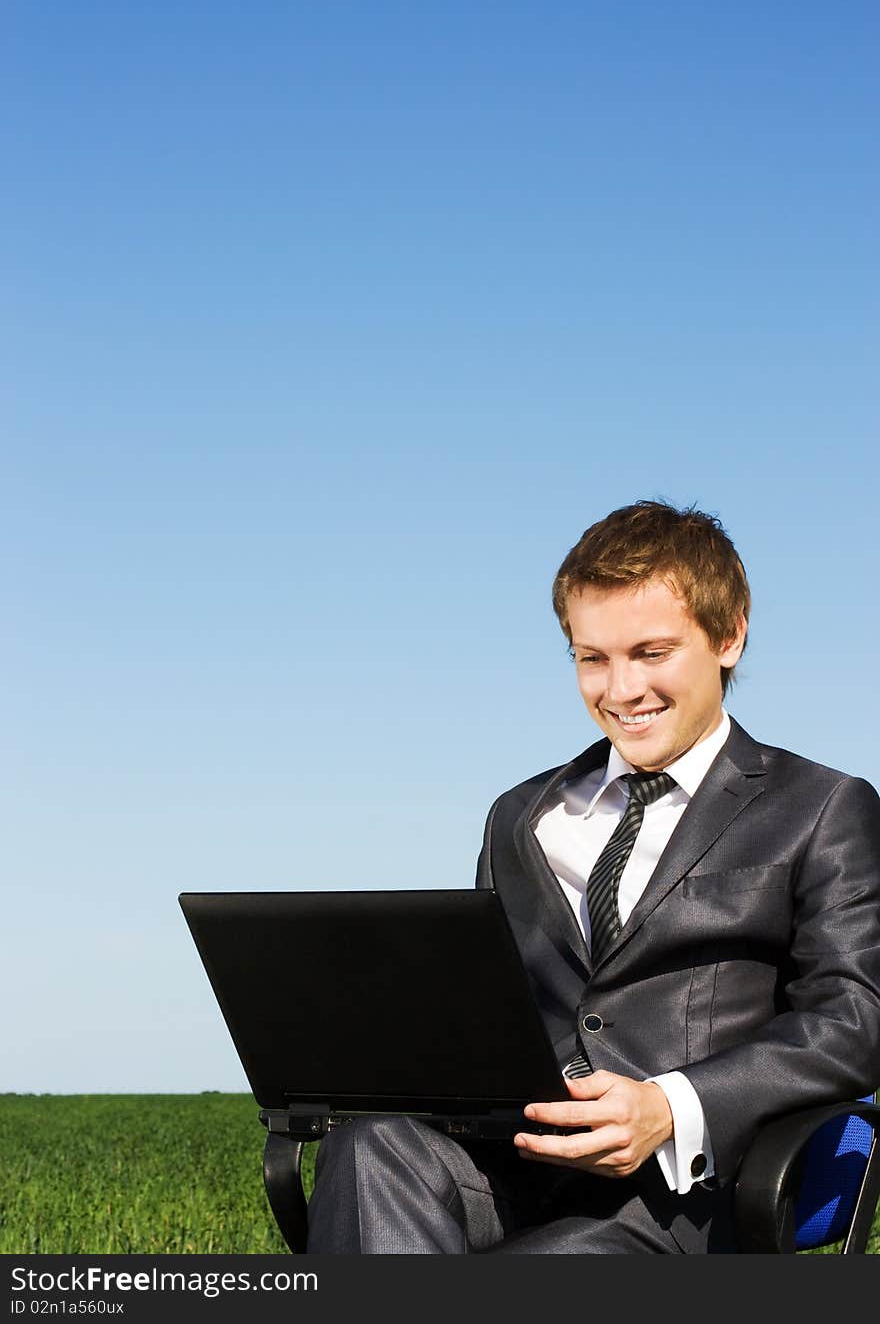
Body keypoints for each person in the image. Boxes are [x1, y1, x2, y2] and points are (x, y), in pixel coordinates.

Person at [306, 499, 880, 1253]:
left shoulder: (822, 806)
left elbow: (857, 1015)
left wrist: (671, 1106)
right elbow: (484, 1003)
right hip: (518, 1165)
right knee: (368, 1150)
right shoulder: (519, 815)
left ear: (729, 634)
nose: (620, 690)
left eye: (651, 653)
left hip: (688, 1198)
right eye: (592, 658)